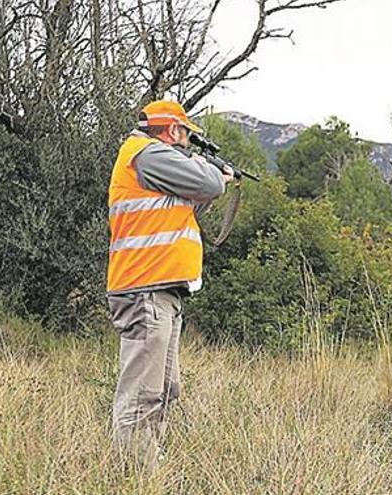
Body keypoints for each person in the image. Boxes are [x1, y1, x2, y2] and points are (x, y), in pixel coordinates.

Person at [105, 100, 234, 470]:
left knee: (163, 388)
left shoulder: (153, 161)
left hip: (161, 288)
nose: (186, 143)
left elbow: (189, 202)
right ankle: (133, 477)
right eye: (185, 134)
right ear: (173, 130)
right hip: (145, 288)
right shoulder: (148, 155)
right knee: (143, 393)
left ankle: (147, 469)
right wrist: (215, 173)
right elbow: (209, 183)